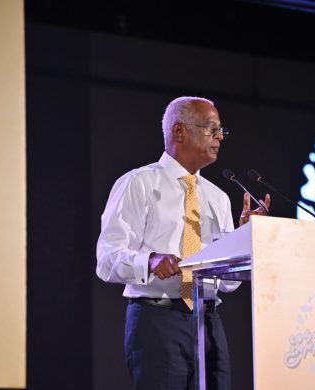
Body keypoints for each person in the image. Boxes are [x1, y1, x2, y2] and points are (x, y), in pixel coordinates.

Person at [96, 96, 270, 390]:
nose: (219, 137)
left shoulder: (217, 196)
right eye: (211, 129)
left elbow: (228, 283)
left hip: (209, 322)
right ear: (179, 132)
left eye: (221, 131)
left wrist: (243, 239)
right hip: (158, 319)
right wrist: (149, 261)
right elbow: (106, 258)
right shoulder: (139, 183)